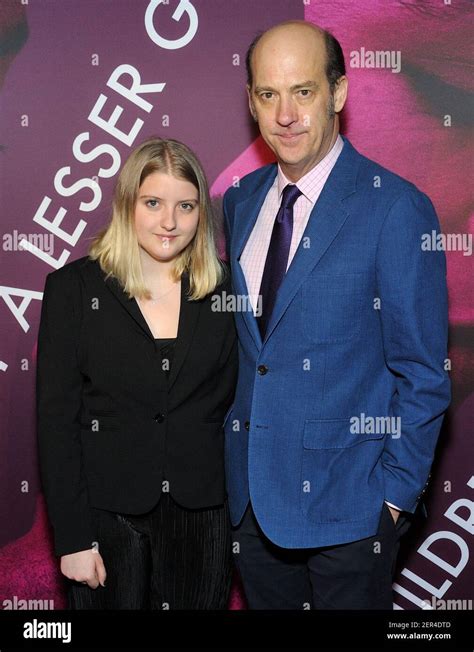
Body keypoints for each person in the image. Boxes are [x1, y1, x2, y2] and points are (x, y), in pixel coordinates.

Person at [223, 21, 450, 609]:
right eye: (268, 95)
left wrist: (392, 502)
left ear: (339, 94)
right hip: (251, 506)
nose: (286, 114)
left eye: (303, 91)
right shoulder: (241, 202)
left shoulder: (395, 206)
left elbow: (423, 372)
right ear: (251, 102)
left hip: (350, 517)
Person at [37, 137, 238, 609]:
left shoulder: (226, 291)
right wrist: (72, 539)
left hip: (202, 521)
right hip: (105, 520)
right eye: (153, 203)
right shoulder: (72, 289)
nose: (169, 222)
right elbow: (56, 423)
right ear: (128, 202)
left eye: (185, 206)